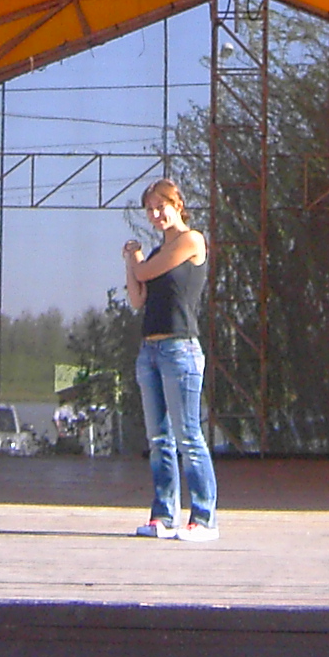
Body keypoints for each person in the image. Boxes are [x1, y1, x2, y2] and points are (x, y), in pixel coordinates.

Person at [123, 178, 216, 540]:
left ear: (177, 205)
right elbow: (137, 298)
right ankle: (164, 515)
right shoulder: (157, 252)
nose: (155, 215)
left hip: (180, 350)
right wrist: (130, 262)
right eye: (149, 210)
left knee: (188, 436)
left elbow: (145, 273)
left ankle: (204, 518)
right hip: (150, 350)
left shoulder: (191, 241)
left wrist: (135, 259)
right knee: (159, 439)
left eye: (160, 206)